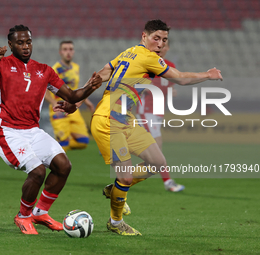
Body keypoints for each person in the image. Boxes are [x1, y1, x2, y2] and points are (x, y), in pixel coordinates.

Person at [75, 19, 221, 236]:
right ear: (144, 36)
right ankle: (115, 222)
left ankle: (114, 190)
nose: (160, 44)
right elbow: (179, 78)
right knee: (125, 178)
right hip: (109, 120)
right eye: (156, 39)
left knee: (157, 162)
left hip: (126, 119)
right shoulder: (148, 57)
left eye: (164, 40)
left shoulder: (129, 52)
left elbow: (101, 74)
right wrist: (207, 75)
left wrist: (78, 97)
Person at [0, 25, 102, 235]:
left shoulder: (44, 70)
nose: (26, 46)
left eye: (28, 42)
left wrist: (92, 86)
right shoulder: (2, 65)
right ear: (10, 45)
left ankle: (40, 213)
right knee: (37, 171)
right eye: (20, 43)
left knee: (63, 166)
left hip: (33, 130)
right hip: (8, 131)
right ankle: (23, 216)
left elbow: (72, 96)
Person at [135, 40, 185, 192]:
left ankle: (118, 151)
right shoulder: (149, 64)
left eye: (164, 46)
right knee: (156, 151)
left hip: (157, 112)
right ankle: (168, 182)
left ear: (167, 48)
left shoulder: (170, 66)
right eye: (159, 46)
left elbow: (169, 88)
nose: (161, 48)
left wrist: (171, 92)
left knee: (153, 154)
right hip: (146, 111)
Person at [45, 40, 94, 152]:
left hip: (73, 109)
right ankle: (55, 149)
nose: (68, 52)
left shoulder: (76, 67)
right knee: (64, 145)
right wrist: (53, 103)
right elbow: (44, 89)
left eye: (71, 49)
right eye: (65, 49)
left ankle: (55, 145)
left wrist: (86, 101)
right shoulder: (55, 69)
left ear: (74, 51)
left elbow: (75, 89)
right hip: (59, 108)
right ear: (60, 52)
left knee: (83, 142)